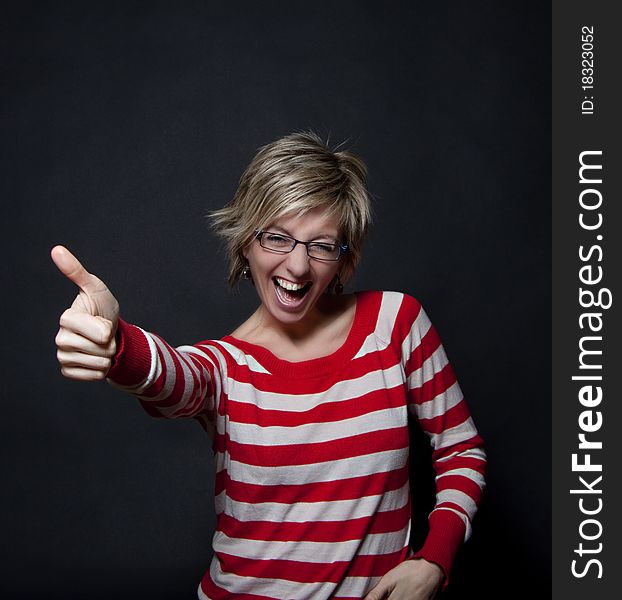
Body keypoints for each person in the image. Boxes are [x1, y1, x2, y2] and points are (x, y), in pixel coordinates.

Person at [52, 131, 486, 600]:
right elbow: (172, 377)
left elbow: (462, 449)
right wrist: (117, 344)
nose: (297, 266)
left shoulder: (396, 324)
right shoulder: (222, 366)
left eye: (321, 246)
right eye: (276, 237)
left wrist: (433, 560)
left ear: (344, 261)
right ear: (245, 244)